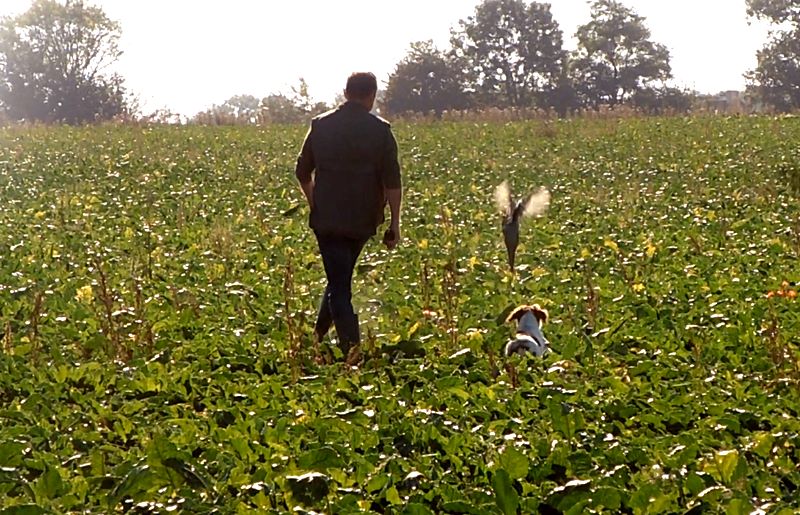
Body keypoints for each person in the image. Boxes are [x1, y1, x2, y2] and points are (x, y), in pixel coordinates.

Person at [295, 72, 402, 358]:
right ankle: (350, 350)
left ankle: (327, 342)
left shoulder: (320, 125)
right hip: (362, 220)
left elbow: (302, 172)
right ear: (372, 96)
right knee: (339, 281)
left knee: (338, 280)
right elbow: (392, 182)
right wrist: (394, 224)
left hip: (327, 219)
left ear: (345, 92)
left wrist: (313, 200)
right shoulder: (381, 130)